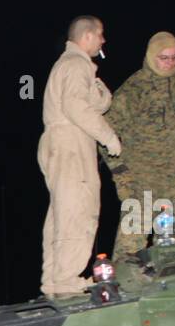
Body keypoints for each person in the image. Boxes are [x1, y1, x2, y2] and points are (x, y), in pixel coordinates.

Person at [103, 31, 175, 281]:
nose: (170, 64)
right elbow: (104, 131)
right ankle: (124, 285)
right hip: (140, 176)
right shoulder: (134, 89)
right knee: (132, 238)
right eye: (164, 58)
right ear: (151, 56)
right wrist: (119, 169)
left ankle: (171, 286)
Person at [37, 16, 122, 298]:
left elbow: (94, 102)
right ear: (87, 36)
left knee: (62, 212)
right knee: (78, 209)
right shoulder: (75, 65)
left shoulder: (71, 65)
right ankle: (66, 279)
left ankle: (55, 279)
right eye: (100, 35)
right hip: (71, 142)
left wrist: (98, 88)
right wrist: (108, 136)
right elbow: (75, 106)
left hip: (61, 142)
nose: (103, 40)